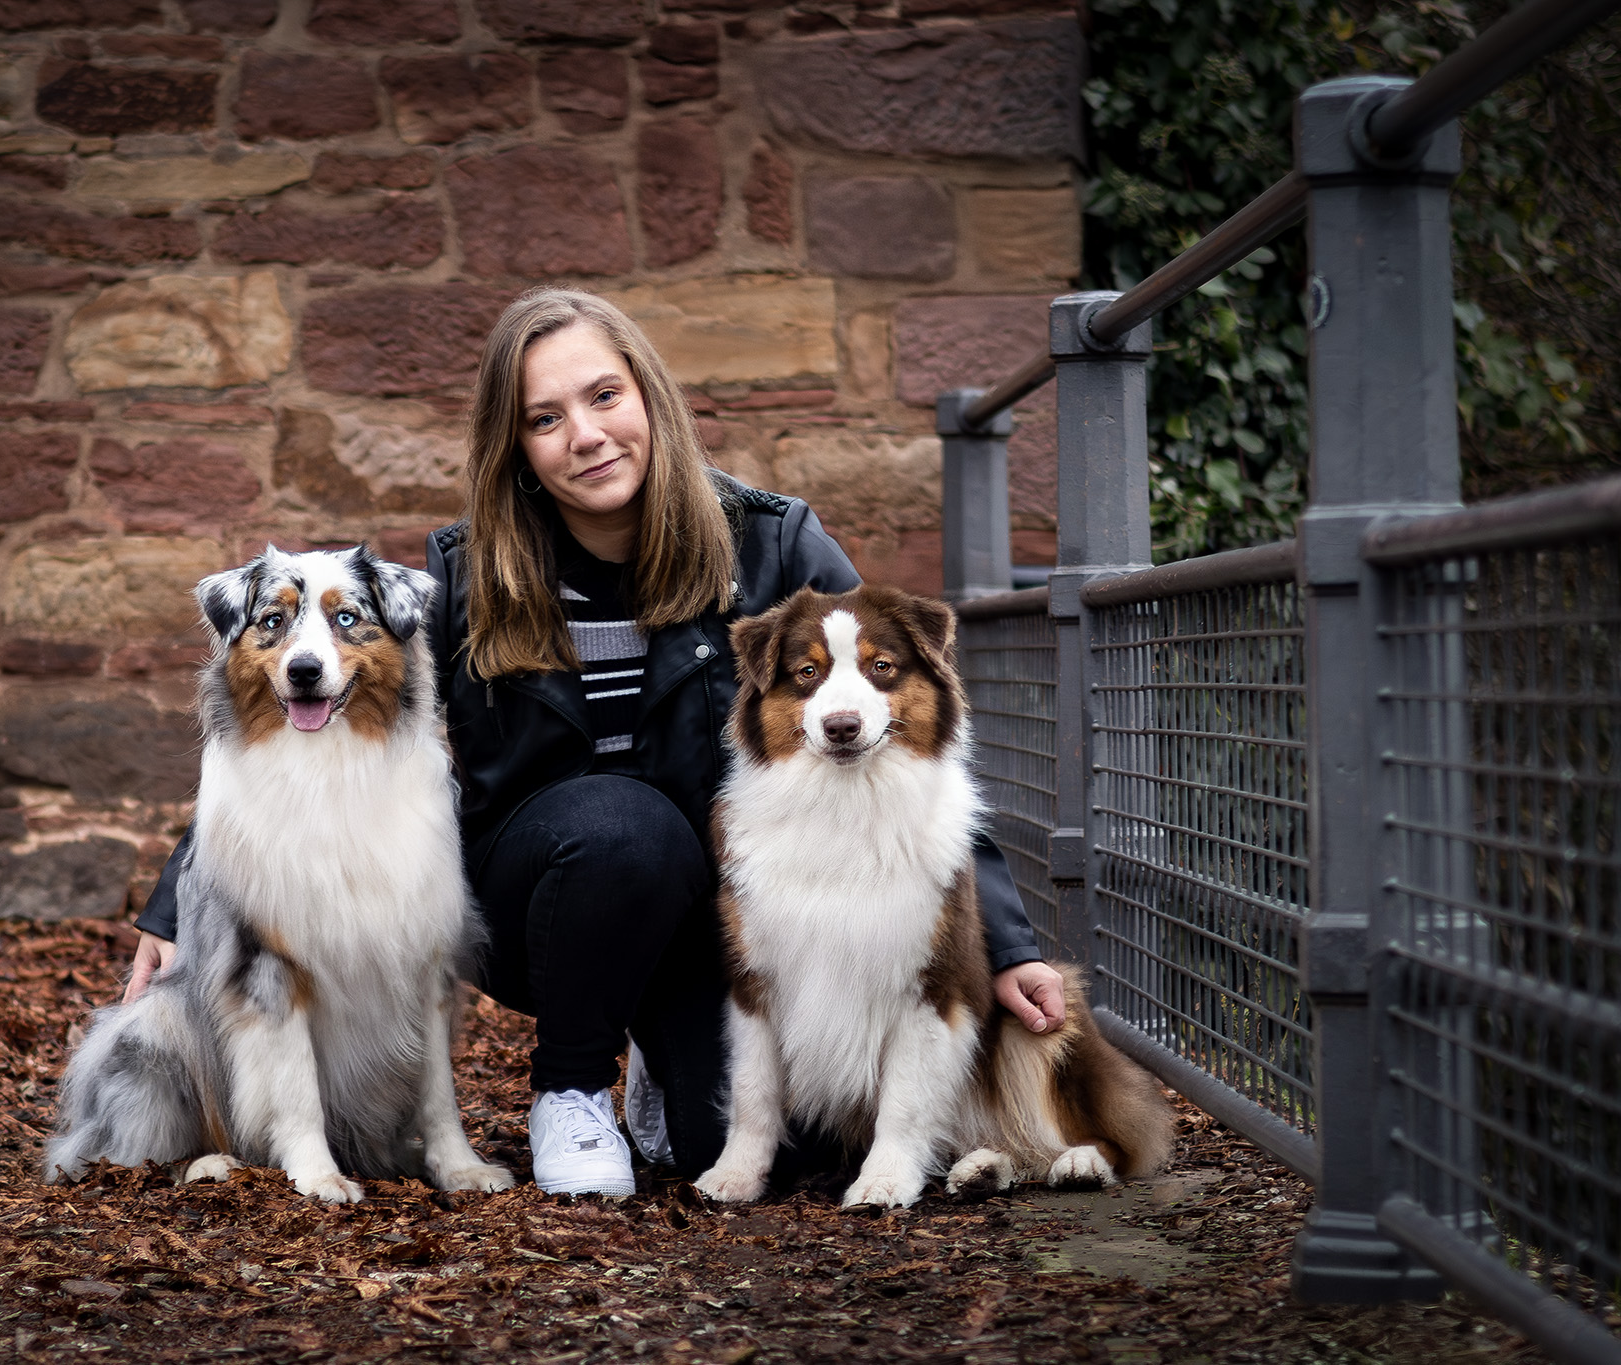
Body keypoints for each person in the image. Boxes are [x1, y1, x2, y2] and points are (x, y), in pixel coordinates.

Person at [122, 288, 1068, 1196]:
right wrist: (176, 907)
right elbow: (312, 719)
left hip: (725, 915)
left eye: (604, 395)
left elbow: (915, 745)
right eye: (545, 418)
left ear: (649, 396)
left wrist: (1006, 942)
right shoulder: (467, 569)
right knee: (625, 822)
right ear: (517, 446)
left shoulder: (773, 543)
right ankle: (570, 1089)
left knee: (771, 1146)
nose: (585, 434)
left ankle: (659, 1048)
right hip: (535, 900)